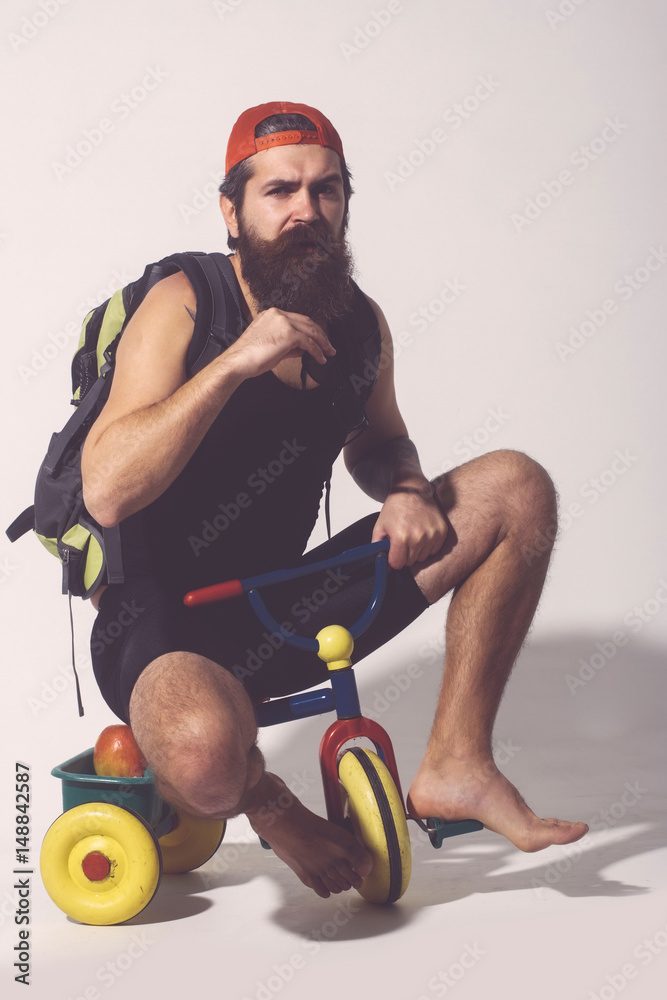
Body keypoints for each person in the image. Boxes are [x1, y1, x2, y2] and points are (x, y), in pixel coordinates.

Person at [82, 101, 588, 900]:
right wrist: (234, 363)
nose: (305, 211)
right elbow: (107, 490)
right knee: (203, 754)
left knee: (515, 487)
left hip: (279, 605)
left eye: (325, 190)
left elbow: (381, 441)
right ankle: (268, 804)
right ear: (232, 212)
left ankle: (457, 763)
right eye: (279, 191)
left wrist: (406, 489)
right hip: (158, 623)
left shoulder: (358, 323)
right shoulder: (186, 300)